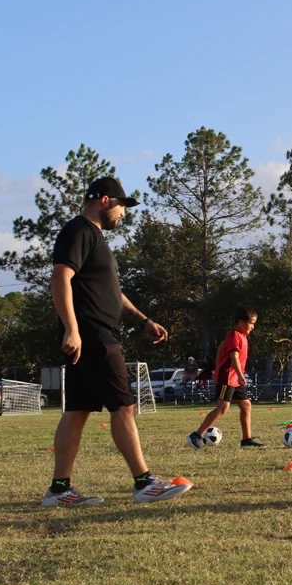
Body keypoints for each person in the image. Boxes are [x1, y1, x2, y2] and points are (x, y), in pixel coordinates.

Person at [43, 176, 192, 507]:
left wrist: (143, 321)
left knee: (77, 410)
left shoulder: (94, 239)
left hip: (93, 336)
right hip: (94, 336)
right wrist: (72, 328)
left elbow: (113, 294)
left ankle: (59, 490)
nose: (124, 214)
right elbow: (59, 278)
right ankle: (144, 483)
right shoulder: (79, 231)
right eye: (123, 206)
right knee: (123, 405)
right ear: (105, 201)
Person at [186, 307, 265, 449]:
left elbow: (222, 350)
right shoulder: (234, 335)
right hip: (227, 377)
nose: (253, 327)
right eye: (251, 323)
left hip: (235, 378)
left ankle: (246, 440)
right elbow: (234, 356)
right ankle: (196, 435)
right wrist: (241, 375)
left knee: (246, 405)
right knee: (223, 408)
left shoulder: (242, 335)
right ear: (241, 322)